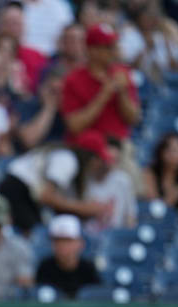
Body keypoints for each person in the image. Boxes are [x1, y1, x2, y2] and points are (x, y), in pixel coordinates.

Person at [61, 23, 142, 193]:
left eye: (114, 46)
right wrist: (104, 95)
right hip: (87, 150)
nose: (113, 51)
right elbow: (74, 126)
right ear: (92, 51)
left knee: (133, 183)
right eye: (107, 47)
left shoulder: (122, 74)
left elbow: (133, 118)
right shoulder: (74, 79)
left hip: (119, 146)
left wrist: (122, 93)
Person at [0, 140, 112, 236]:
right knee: (35, 234)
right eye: (98, 159)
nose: (99, 165)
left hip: (22, 190)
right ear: (90, 157)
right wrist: (83, 208)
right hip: (17, 189)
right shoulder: (68, 159)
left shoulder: (69, 161)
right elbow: (46, 197)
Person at [118, 2, 178, 82]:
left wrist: (167, 47)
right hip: (139, 80)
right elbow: (129, 67)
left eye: (151, 18)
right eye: (146, 18)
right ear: (139, 19)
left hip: (165, 79)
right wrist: (147, 48)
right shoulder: (130, 34)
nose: (149, 21)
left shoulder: (161, 36)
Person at [34, 214, 100, 299]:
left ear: (80, 243)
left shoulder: (89, 269)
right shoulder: (44, 268)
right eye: (58, 241)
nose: (62, 246)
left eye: (68, 241)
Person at [84, 135, 137, 233]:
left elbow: (130, 216)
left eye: (113, 160)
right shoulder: (85, 178)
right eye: (106, 159)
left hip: (114, 235)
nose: (108, 164)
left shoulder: (123, 180)